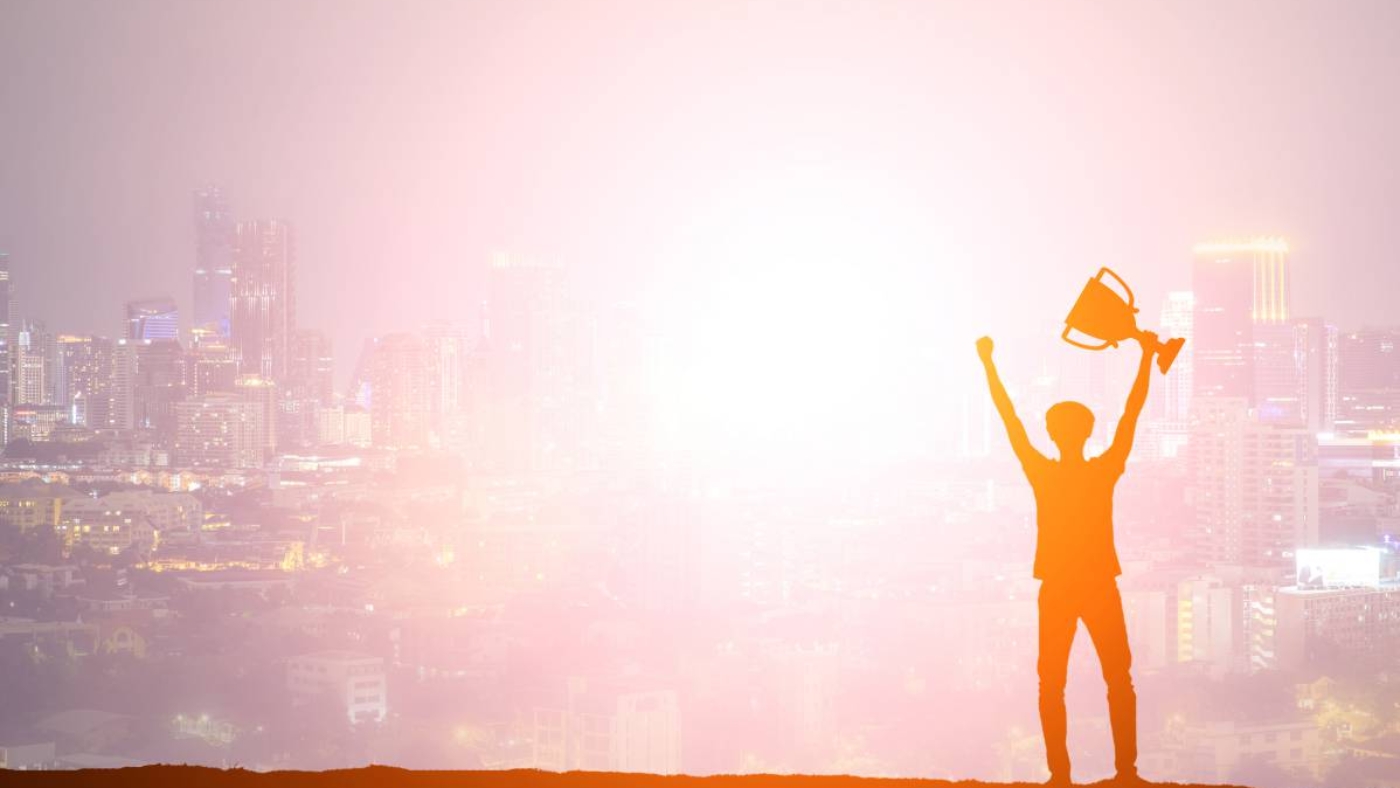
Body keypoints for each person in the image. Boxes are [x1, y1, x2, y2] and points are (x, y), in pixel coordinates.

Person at [977, 332, 1158, 786]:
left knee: (1051, 684)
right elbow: (1130, 415)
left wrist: (988, 364)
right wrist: (1146, 360)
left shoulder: (1042, 472)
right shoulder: (1102, 470)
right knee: (1119, 679)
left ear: (1053, 434)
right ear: (1088, 431)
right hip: (1098, 583)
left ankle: (1060, 776)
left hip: (1058, 585)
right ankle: (1127, 773)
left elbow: (1009, 418)